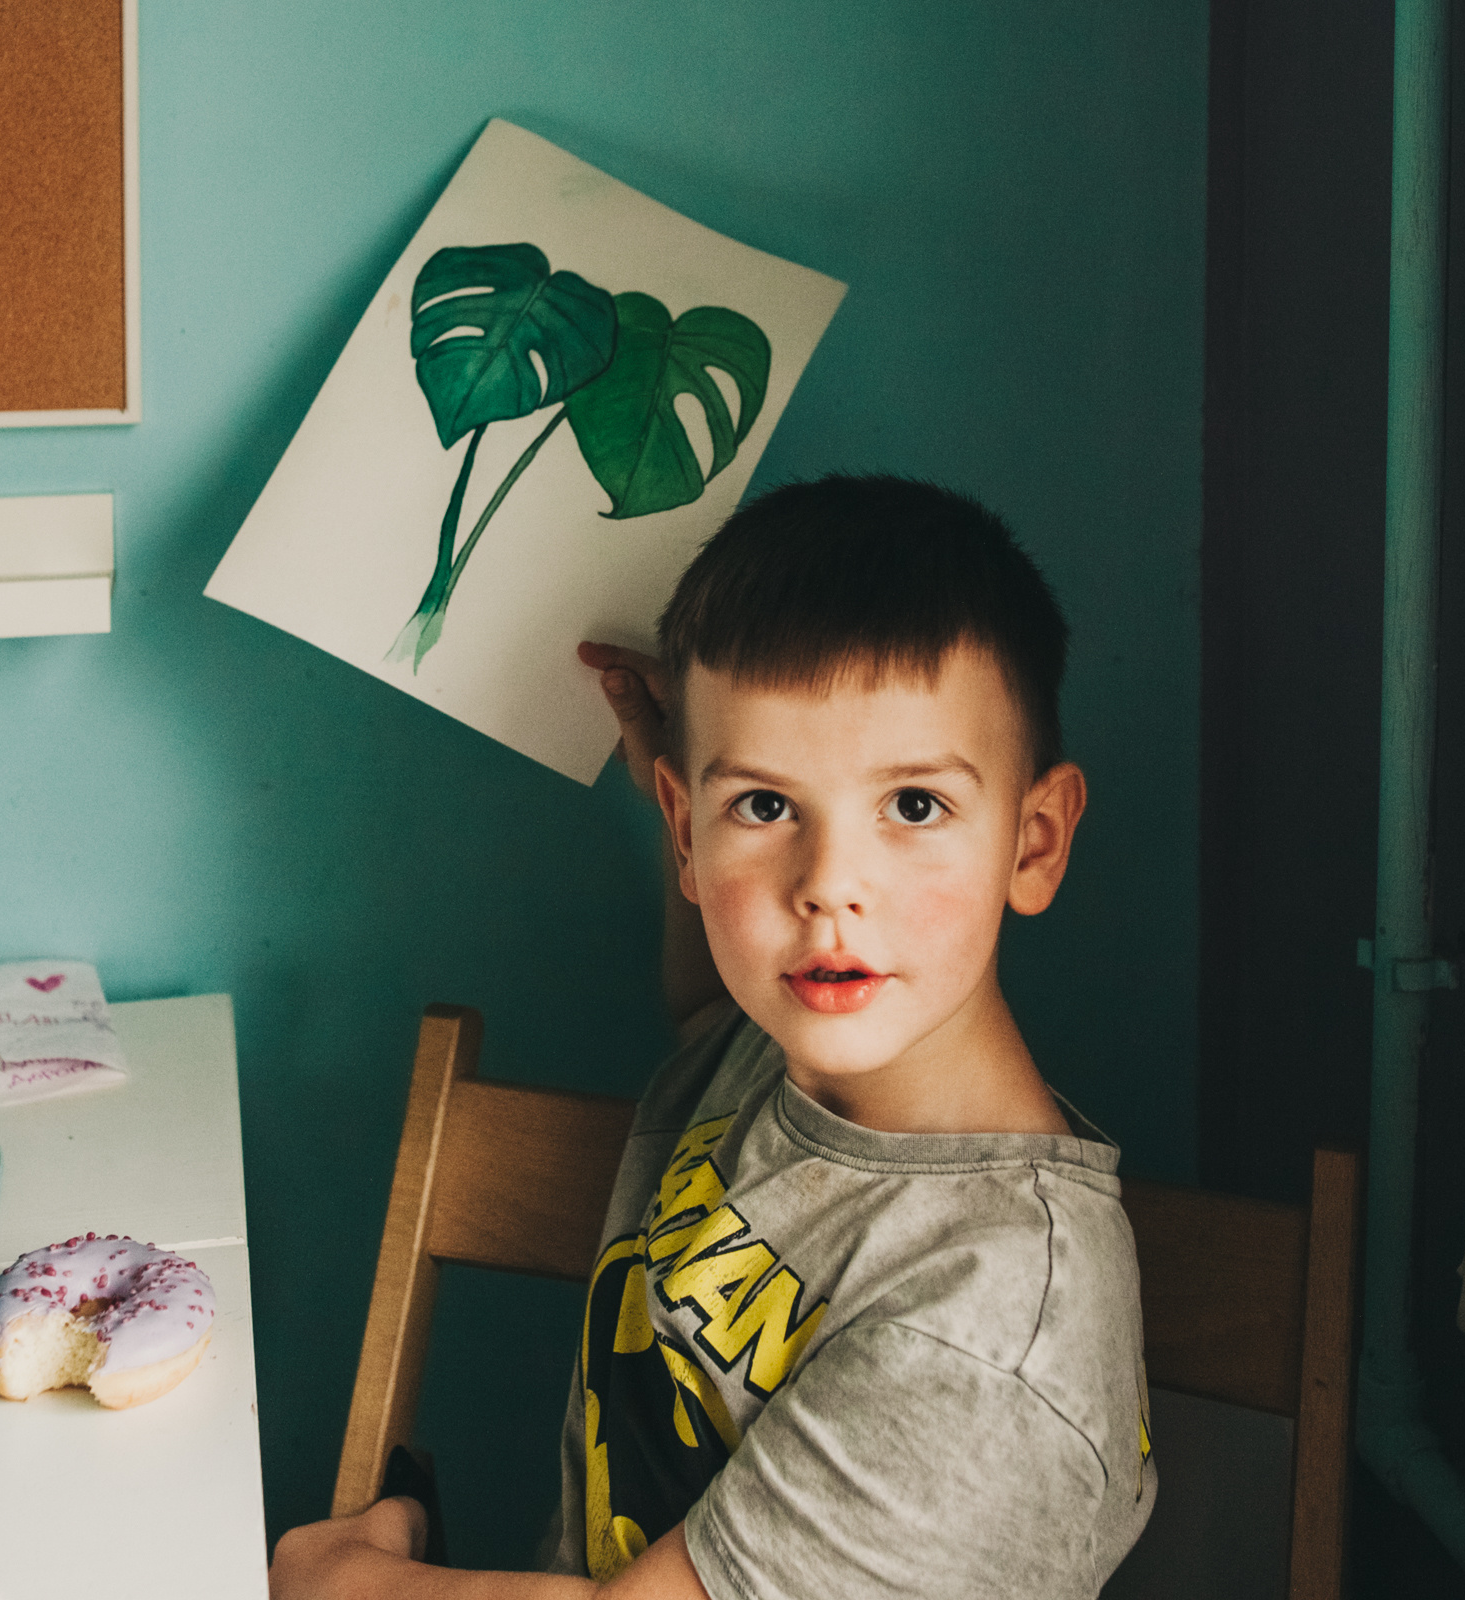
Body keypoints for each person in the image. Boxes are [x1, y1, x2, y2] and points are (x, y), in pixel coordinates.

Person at [271, 475, 1154, 1599]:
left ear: (1033, 842)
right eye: (766, 808)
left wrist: (344, 1586)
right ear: (689, 833)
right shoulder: (779, 1050)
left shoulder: (987, 1329)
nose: (830, 890)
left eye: (915, 806)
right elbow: (708, 1009)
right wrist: (673, 786)